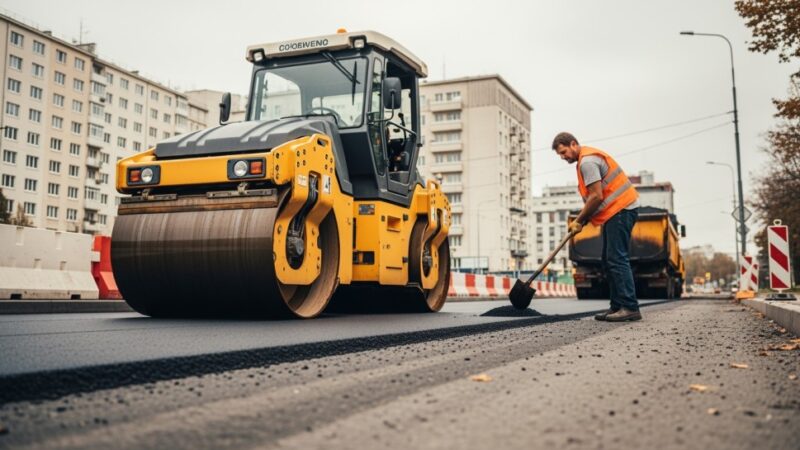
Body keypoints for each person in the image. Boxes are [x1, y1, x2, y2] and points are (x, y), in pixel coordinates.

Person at [552, 132, 642, 322]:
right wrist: (582, 220)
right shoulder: (584, 160)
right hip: (616, 212)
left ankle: (630, 307)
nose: (563, 157)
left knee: (617, 258)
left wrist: (580, 220)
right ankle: (617, 306)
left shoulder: (587, 162)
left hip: (621, 209)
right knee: (608, 260)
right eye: (560, 155)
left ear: (573, 144)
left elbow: (596, 196)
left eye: (563, 152)